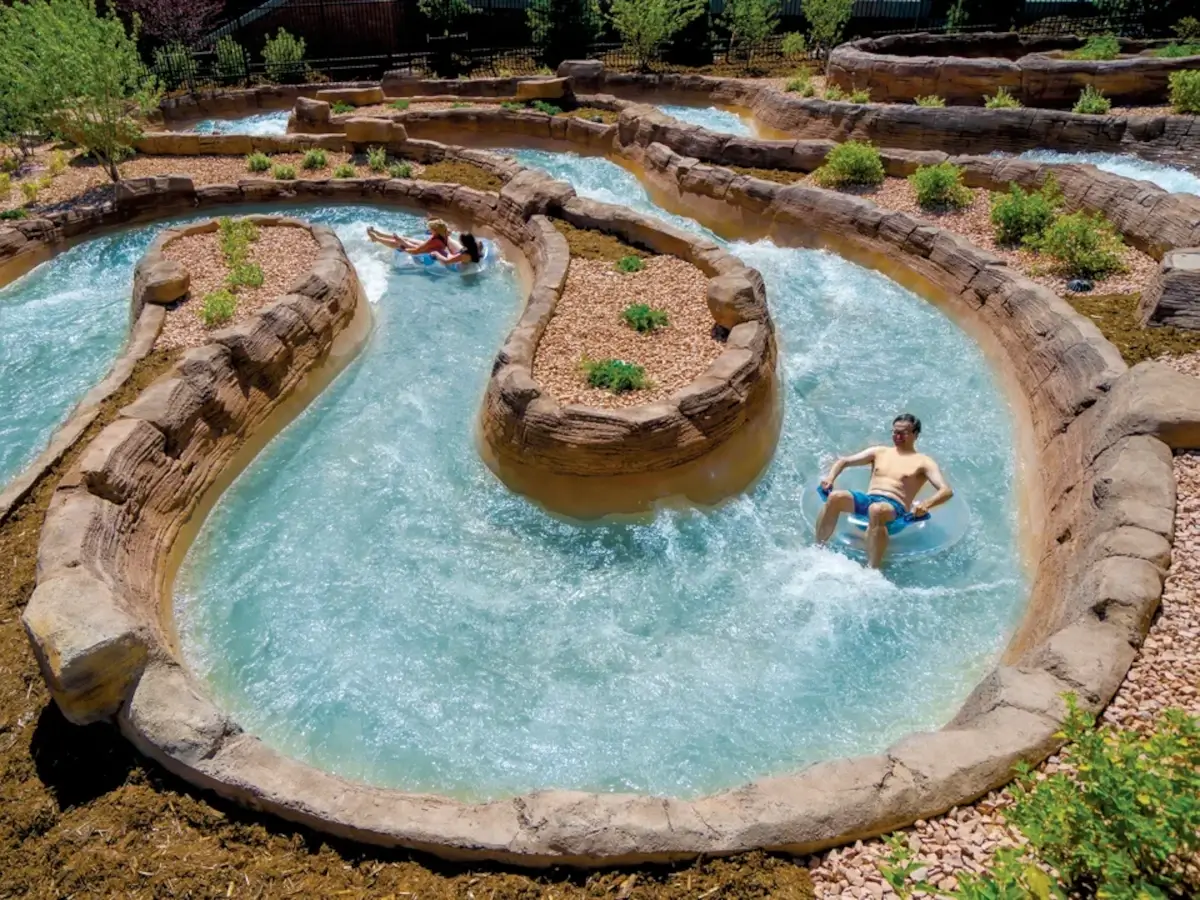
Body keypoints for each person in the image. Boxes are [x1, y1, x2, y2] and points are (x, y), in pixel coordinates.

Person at [815, 413, 953, 569]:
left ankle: (872, 569)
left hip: (895, 509)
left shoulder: (924, 462)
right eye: (895, 432)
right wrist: (830, 478)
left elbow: (946, 490)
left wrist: (926, 504)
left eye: (903, 433)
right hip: (869, 500)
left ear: (915, 434)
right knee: (835, 497)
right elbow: (844, 461)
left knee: (877, 510)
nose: (897, 436)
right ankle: (818, 549)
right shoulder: (879, 452)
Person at [366, 219, 457, 256]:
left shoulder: (434, 240)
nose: (429, 231)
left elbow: (417, 251)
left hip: (427, 252)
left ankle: (376, 238)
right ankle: (380, 234)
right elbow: (448, 228)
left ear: (436, 231)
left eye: (431, 229)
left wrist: (404, 249)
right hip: (433, 248)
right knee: (406, 238)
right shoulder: (445, 231)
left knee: (399, 244)